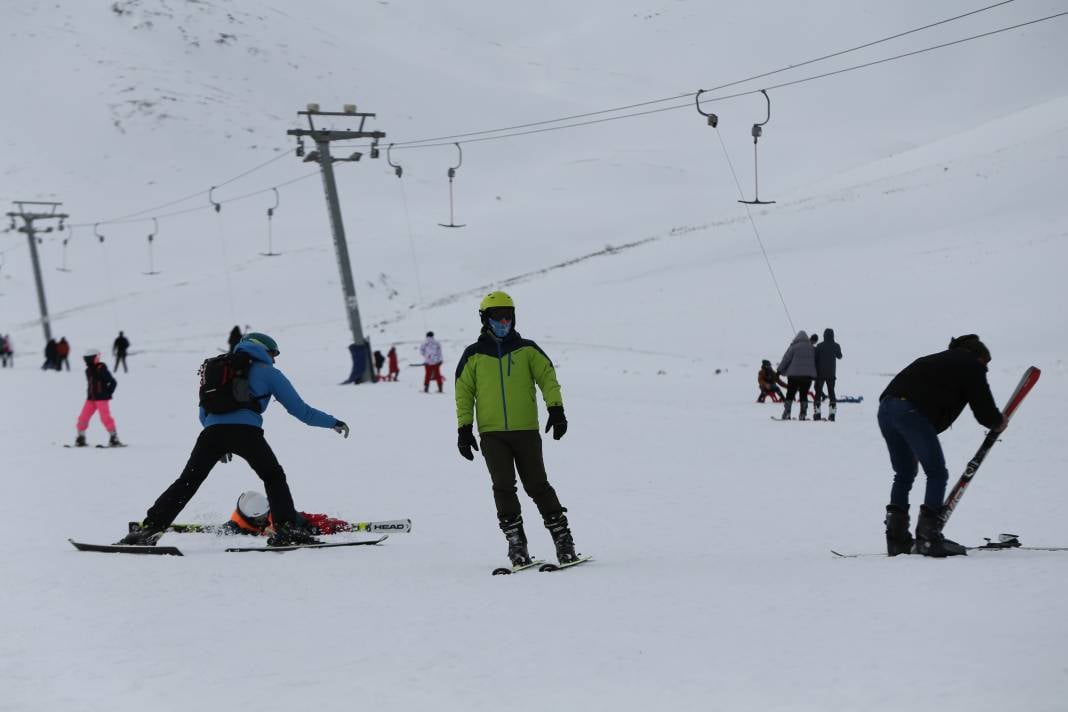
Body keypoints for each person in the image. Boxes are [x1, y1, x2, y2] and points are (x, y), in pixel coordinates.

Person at [117, 332, 350, 547]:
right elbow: (301, 411)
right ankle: (287, 530)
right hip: (247, 433)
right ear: (263, 350)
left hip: (211, 434)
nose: (275, 360)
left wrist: (220, 443)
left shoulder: (216, 371)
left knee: (188, 480)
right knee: (273, 476)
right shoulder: (269, 373)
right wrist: (333, 422)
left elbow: (204, 413)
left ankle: (149, 529)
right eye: (273, 354)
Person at [455, 291, 580, 567]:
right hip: (491, 434)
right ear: (485, 319)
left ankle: (563, 541)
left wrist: (556, 409)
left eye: (507, 316)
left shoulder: (527, 350)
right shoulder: (473, 355)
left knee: (537, 485)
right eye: (497, 316)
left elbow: (548, 378)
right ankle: (516, 546)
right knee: (503, 486)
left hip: (526, 431)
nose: (503, 321)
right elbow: (464, 392)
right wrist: (464, 429)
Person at [879, 335, 1006, 558]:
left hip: (886, 409)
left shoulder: (938, 360)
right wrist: (997, 421)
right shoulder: (970, 365)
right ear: (978, 356)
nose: (985, 370)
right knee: (937, 472)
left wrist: (914, 439)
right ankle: (929, 538)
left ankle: (896, 540)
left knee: (904, 472)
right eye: (986, 364)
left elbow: (928, 398)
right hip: (909, 412)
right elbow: (983, 406)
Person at [221, 491, 354, 536]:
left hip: (288, 518)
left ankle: (336, 525)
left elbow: (299, 518)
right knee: (308, 528)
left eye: (265, 515)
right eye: (260, 518)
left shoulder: (263, 511)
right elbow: (227, 529)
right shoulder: (238, 523)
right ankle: (333, 526)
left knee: (305, 521)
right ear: (248, 517)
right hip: (287, 525)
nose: (264, 519)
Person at [74, 349, 122, 447]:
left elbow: (113, 382)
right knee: (83, 417)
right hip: (91, 398)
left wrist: (107, 393)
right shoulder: (88, 370)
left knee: (105, 417)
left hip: (101, 398)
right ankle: (80, 437)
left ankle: (114, 438)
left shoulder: (101, 368)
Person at [777, 331, 817, 420]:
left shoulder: (794, 347)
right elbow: (816, 361)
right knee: (804, 395)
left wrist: (779, 371)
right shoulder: (812, 348)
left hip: (793, 376)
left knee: (790, 394)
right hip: (807, 377)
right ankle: (803, 414)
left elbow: (786, 358)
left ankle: (787, 412)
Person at [814, 328, 843, 421]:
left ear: (824, 335)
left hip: (820, 373)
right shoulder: (836, 345)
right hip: (831, 373)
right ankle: (832, 414)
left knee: (818, 392)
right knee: (831, 392)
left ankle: (817, 414)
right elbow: (840, 356)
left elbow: (815, 359)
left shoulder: (819, 346)